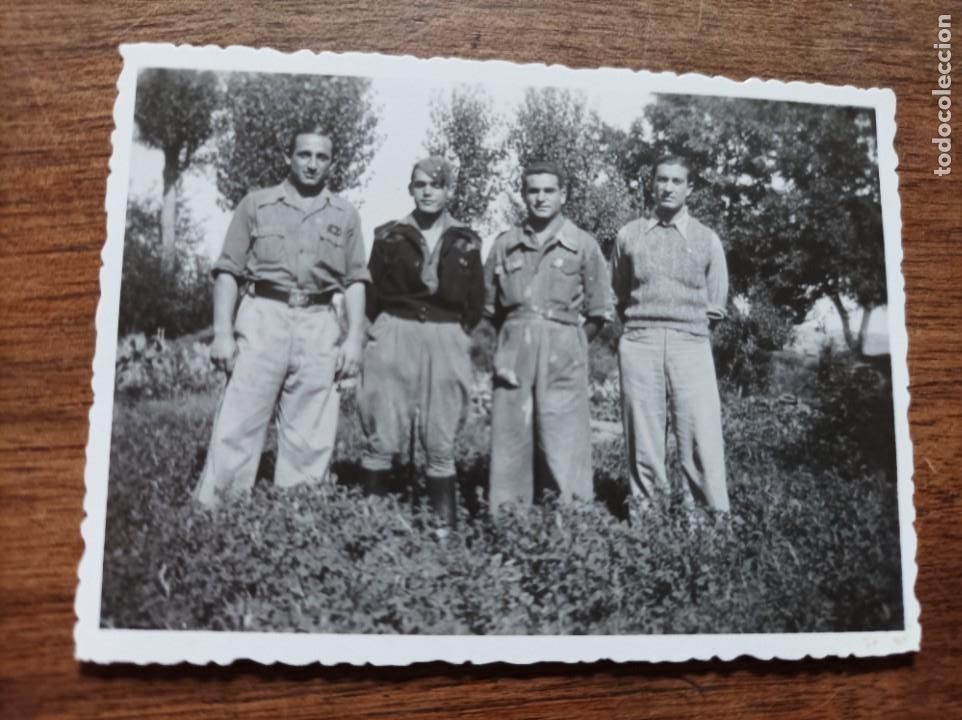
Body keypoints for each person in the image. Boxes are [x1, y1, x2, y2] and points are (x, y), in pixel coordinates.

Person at [193, 125, 369, 506]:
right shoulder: (256, 204)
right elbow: (228, 272)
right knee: (241, 418)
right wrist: (222, 333)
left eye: (322, 157)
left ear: (332, 163)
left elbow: (355, 280)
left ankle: (296, 512)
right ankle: (218, 510)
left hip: (320, 319)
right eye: (304, 154)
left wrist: (354, 338)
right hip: (263, 315)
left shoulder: (345, 214)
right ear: (288, 157)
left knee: (312, 426)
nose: (312, 164)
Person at [359, 157, 484, 528]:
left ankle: (442, 529)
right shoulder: (388, 235)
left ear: (449, 190)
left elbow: (475, 301)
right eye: (420, 184)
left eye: (436, 184)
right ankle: (369, 525)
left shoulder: (467, 240)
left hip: (446, 336)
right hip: (395, 329)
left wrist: (456, 336)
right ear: (411, 189)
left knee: (441, 435)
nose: (428, 191)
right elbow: (371, 294)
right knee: (382, 430)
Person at [484, 160, 615, 510]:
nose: (540, 198)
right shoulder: (505, 244)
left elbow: (600, 311)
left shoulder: (582, 245)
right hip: (514, 348)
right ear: (523, 194)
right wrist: (514, 338)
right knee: (511, 434)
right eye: (533, 190)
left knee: (563, 435)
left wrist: (571, 344)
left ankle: (571, 521)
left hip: (563, 347)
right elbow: (489, 307)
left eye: (548, 191)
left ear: (563, 195)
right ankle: (509, 519)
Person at [611, 154, 730, 513]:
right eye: (662, 179)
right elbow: (617, 293)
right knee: (644, 437)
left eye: (677, 181)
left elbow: (716, 301)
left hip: (690, 343)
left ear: (689, 188)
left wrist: (687, 332)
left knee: (700, 436)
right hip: (640, 340)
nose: (668, 187)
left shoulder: (707, 239)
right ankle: (648, 521)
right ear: (652, 184)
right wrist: (640, 330)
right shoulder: (628, 235)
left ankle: (708, 523)